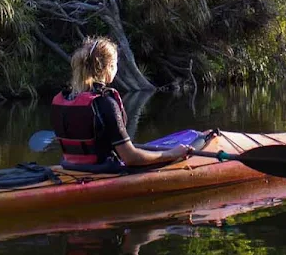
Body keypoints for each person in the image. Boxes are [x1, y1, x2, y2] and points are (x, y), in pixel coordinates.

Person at [51, 36, 190, 171]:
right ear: (109, 67)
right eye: (115, 64)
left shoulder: (61, 99)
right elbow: (130, 158)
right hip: (102, 170)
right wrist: (173, 154)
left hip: (69, 168)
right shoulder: (105, 103)